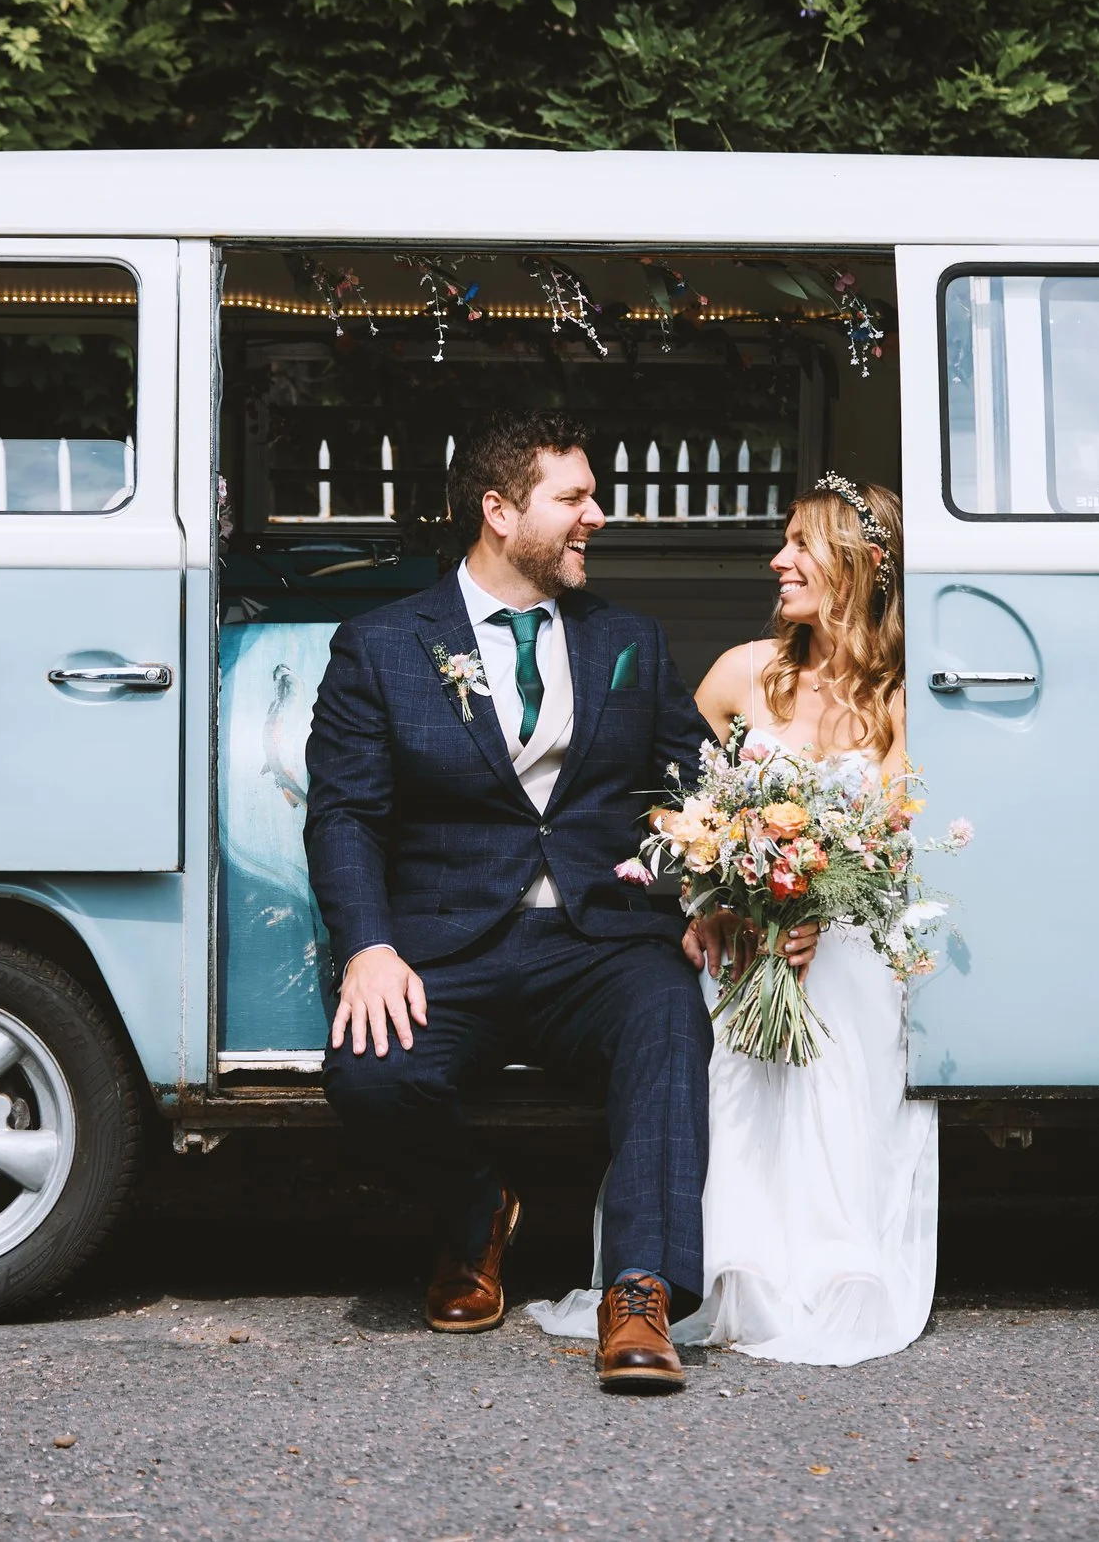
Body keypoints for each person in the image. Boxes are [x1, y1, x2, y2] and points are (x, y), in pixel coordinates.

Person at [304, 409, 720, 1393]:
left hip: (600, 940)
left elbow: (705, 777)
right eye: (573, 498)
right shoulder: (381, 645)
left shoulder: (630, 639)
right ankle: (476, 1210)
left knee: (669, 1016)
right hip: (446, 943)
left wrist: (718, 888)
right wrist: (368, 946)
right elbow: (344, 815)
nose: (598, 516)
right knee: (370, 1073)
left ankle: (640, 1293)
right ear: (498, 510)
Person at [531, 474, 939, 1366]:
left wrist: (818, 911)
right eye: (783, 541)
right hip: (742, 940)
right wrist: (713, 897)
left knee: (847, 982)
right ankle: (732, 1255)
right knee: (720, 996)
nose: (778, 559)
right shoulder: (742, 673)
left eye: (801, 544)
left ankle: (838, 1256)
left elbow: (897, 852)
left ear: (863, 567)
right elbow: (670, 808)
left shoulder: (906, 705)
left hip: (848, 944)